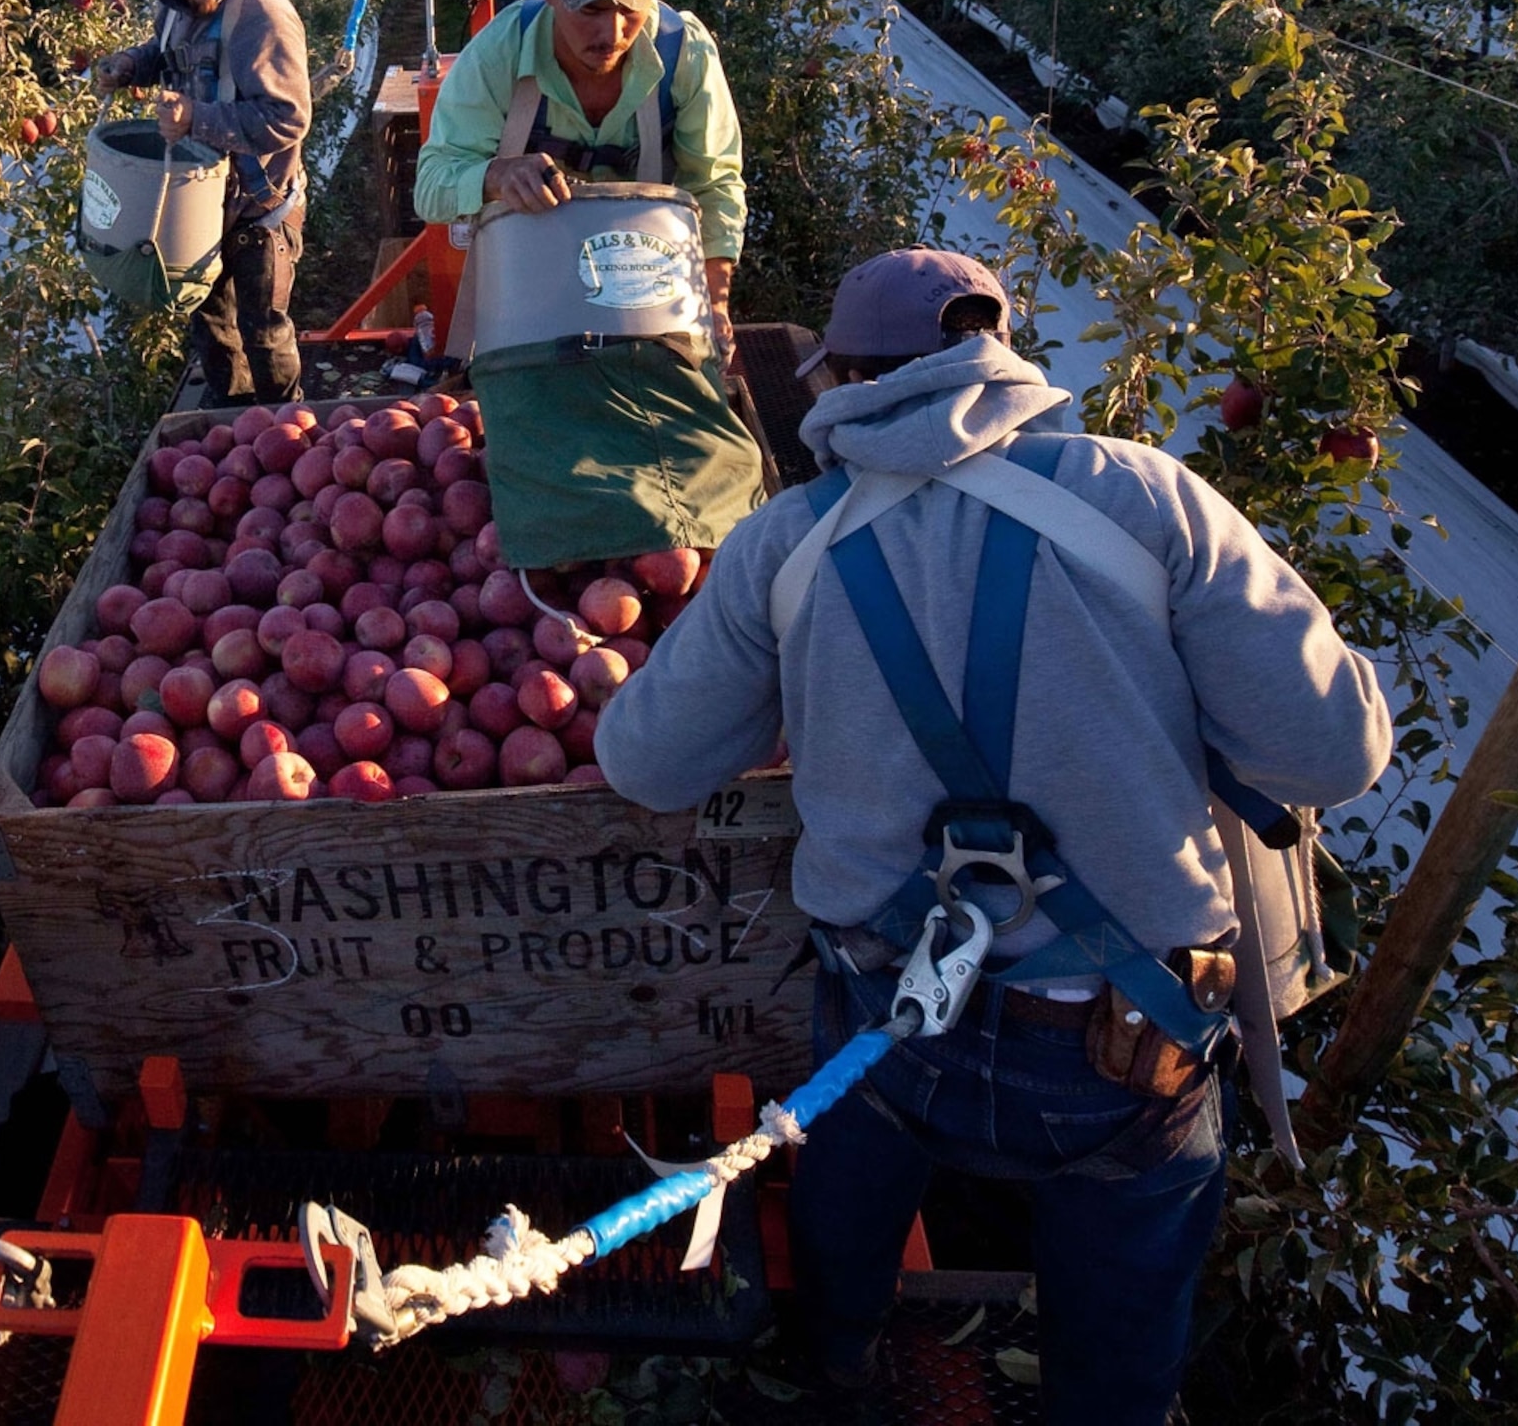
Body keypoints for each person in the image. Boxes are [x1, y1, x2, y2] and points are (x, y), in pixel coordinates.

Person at [595, 251, 1391, 1426]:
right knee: (1127, 1287)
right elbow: (1334, 753)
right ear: (1001, 356)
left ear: (844, 379)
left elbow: (645, 761)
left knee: (854, 1149)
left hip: (896, 1020)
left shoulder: (787, 543)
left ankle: (843, 1356)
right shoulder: (1148, 500)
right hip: (1121, 1042)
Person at [411, 0, 746, 355]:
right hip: (528, 288)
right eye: (590, 8)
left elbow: (713, 185)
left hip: (643, 287)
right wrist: (496, 175)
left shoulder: (683, 52)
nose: (611, 33)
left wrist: (715, 301)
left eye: (630, 8)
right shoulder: (501, 51)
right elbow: (431, 186)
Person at [93, 0, 312, 405]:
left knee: (265, 332)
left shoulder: (260, 14)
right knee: (210, 326)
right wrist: (132, 64)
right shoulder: (176, 8)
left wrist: (196, 118)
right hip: (202, 206)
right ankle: (233, 428)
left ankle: (289, 427)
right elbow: (168, 51)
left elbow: (288, 118)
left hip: (260, 211)